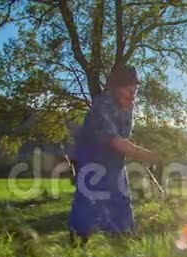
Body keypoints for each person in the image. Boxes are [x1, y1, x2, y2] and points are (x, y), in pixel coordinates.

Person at [68, 65, 159, 245]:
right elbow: (116, 141)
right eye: (128, 85)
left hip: (114, 158)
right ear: (114, 87)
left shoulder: (129, 105)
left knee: (121, 197)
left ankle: (124, 237)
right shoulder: (103, 104)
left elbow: (124, 139)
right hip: (90, 156)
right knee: (89, 198)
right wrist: (148, 155)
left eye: (135, 85)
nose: (133, 90)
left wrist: (140, 154)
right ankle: (78, 240)